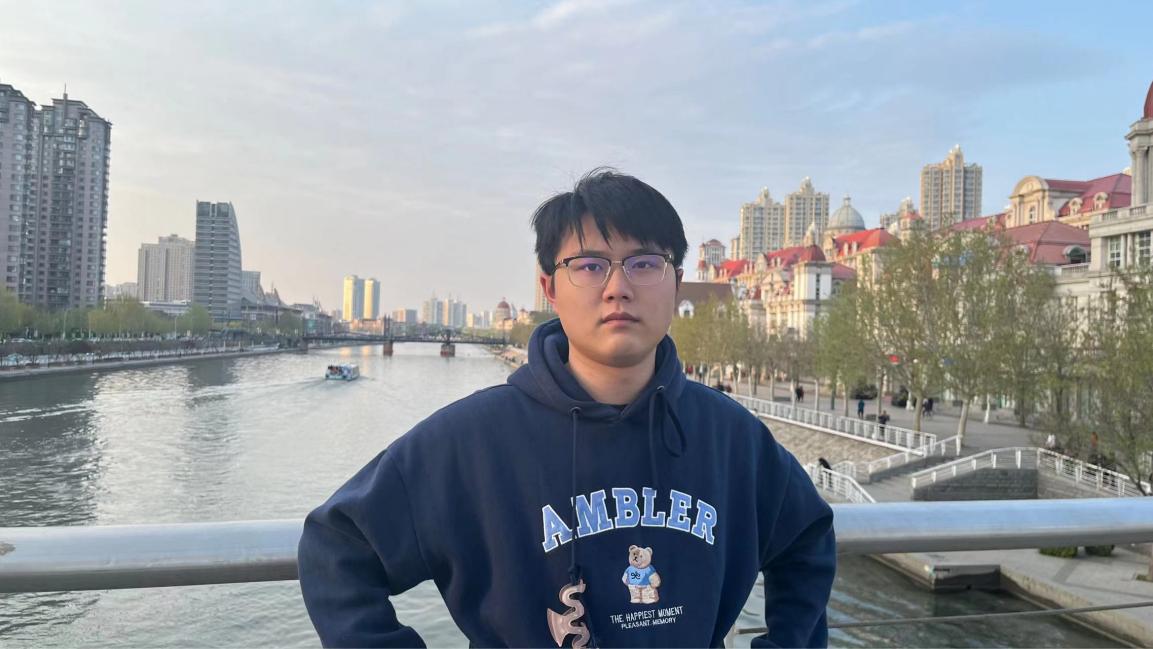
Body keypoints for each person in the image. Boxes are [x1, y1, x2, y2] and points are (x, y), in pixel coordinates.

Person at [297, 169, 835, 648]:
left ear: (676, 283)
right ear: (549, 288)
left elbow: (806, 538)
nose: (618, 288)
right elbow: (338, 545)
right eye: (590, 265)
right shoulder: (473, 440)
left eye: (645, 263)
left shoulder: (730, 437)